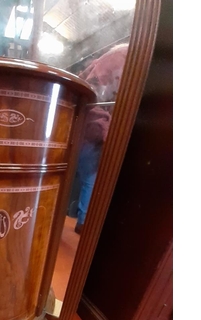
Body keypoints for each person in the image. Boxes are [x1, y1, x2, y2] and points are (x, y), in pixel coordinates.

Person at [74, 44, 129, 234]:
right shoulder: (126, 57)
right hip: (92, 129)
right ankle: (83, 222)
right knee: (91, 177)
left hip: (78, 126)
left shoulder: (101, 63)